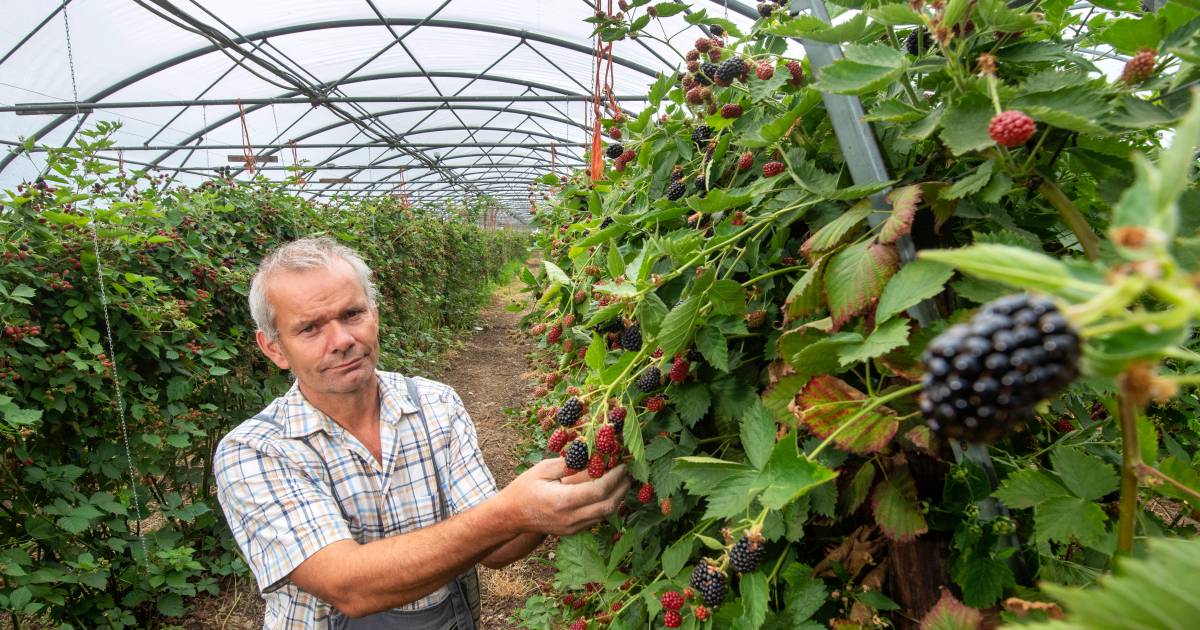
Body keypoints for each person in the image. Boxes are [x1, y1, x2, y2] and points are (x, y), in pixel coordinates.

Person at [213, 237, 629, 629]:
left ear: (374, 316)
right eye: (310, 328)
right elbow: (348, 586)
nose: (340, 340)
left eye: (352, 314)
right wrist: (513, 510)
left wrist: (559, 497)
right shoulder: (255, 451)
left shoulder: (435, 405)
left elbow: (498, 547)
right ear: (274, 348)